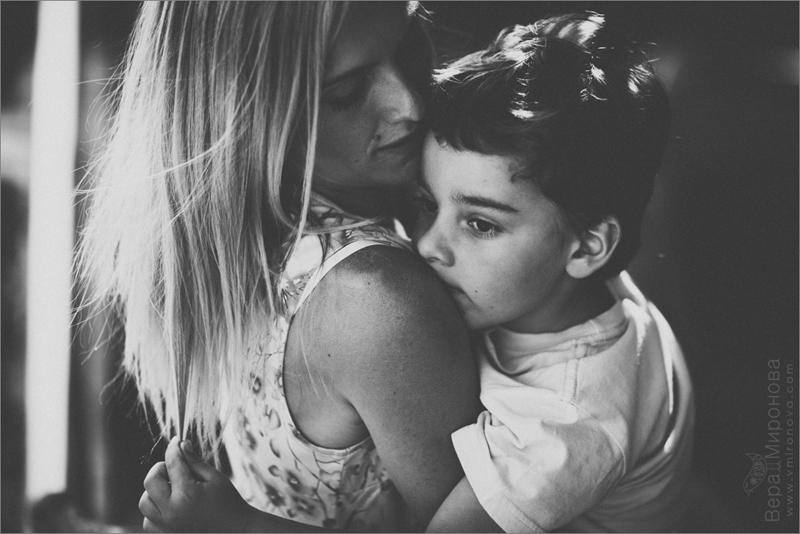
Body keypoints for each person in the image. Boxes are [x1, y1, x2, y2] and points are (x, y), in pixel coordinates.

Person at [77, 2, 480, 532]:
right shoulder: (377, 298)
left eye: (407, 49)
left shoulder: (243, 252)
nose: (409, 104)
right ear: (247, 111)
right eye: (345, 91)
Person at [412, 12, 695, 532]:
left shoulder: (566, 419)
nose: (428, 244)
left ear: (588, 247)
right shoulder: (569, 285)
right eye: (428, 204)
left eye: (480, 224)